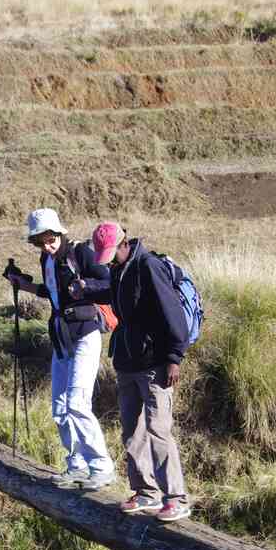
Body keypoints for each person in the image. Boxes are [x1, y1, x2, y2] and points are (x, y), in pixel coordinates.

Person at [77, 222, 191, 522]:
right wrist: (86, 289)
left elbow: (172, 313)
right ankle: (145, 492)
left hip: (154, 364)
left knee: (158, 430)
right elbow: (114, 295)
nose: (108, 260)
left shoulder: (148, 266)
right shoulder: (119, 268)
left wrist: (174, 358)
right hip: (127, 362)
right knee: (132, 431)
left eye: (111, 254)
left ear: (124, 244)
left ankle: (176, 498)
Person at [6, 207, 116, 490]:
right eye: (40, 240)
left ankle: (101, 467)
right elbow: (52, 293)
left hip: (85, 335)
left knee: (77, 403)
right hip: (61, 338)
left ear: (59, 232)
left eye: (50, 237)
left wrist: (86, 286)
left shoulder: (81, 253)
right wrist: (24, 285)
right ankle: (76, 464)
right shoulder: (47, 259)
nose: (47, 244)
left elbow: (109, 282)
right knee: (59, 408)